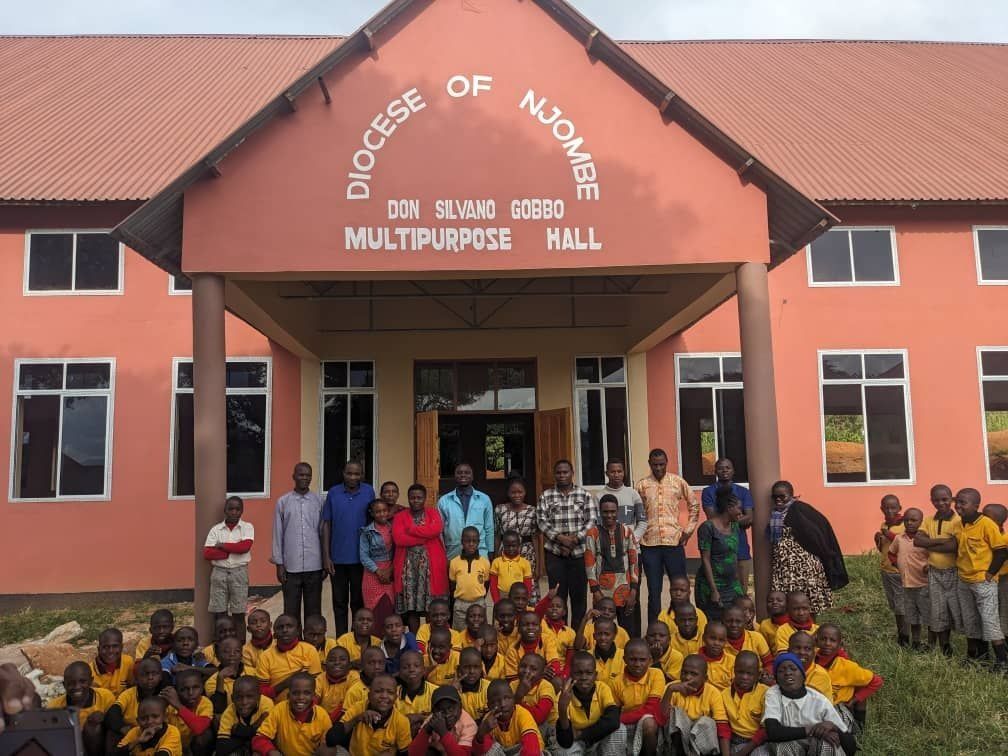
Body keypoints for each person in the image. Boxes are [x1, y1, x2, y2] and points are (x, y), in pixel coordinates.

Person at [636, 448, 700, 626]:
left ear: (667, 463)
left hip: (673, 542)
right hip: (649, 544)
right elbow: (636, 513)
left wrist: (688, 530)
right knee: (653, 591)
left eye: (661, 464)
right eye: (655, 465)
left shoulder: (677, 482)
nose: (658, 468)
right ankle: (655, 629)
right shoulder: (641, 486)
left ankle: (681, 627)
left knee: (679, 588)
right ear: (649, 464)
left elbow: (694, 504)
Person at [768, 481, 848, 615]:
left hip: (803, 568)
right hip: (784, 568)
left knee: (806, 604)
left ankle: (810, 632)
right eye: (775, 497)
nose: (778, 499)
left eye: (782, 496)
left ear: (791, 495)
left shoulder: (800, 509)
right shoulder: (776, 514)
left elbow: (818, 529)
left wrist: (824, 552)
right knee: (788, 605)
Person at [538, 459, 598, 628]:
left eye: (565, 472)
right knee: (557, 598)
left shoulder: (584, 495)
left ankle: (577, 639)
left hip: (579, 554)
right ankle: (559, 636)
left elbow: (591, 521)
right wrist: (560, 539)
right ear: (554, 475)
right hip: (555, 554)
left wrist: (574, 539)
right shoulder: (546, 496)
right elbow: (542, 521)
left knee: (579, 598)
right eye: (558, 472)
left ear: (572, 473)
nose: (562, 475)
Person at [953, 487, 1008, 669]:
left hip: (983, 581)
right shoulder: (959, 523)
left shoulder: (986, 524)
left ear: (976, 505)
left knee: (989, 620)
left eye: (963, 502)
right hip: (963, 580)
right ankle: (976, 656)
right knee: (970, 620)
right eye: (957, 501)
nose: (958, 505)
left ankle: (1002, 661)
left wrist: (990, 573)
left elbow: (1001, 551)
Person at [761, 653, 857, 756]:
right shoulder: (773, 693)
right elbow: (773, 732)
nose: (788, 673)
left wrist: (834, 727)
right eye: (781, 670)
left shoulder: (819, 701)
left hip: (817, 747)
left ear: (803, 676)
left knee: (827, 743)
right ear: (777, 680)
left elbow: (851, 748)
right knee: (780, 745)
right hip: (795, 745)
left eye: (793, 669)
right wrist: (812, 729)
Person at [322, 459, 376, 637]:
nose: (353, 477)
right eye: (349, 473)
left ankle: (356, 638)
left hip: (361, 558)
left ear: (361, 475)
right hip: (337, 558)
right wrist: (326, 556)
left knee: (358, 601)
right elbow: (327, 525)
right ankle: (341, 638)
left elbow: (373, 521)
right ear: (343, 473)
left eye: (356, 474)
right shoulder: (334, 493)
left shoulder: (368, 492)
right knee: (339, 601)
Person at [271, 462, 325, 625]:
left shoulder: (319, 501)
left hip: (315, 565)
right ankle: (293, 644)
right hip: (290, 566)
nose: (305, 478)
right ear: (293, 476)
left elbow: (323, 532)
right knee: (291, 611)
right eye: (301, 475)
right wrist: (279, 564)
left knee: (314, 611)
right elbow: (277, 533)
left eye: (308, 475)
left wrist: (325, 561)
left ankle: (311, 647)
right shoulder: (283, 502)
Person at [913, 483, 963, 655]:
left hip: (954, 572)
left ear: (952, 499)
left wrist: (931, 543)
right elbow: (918, 541)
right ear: (931, 501)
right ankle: (945, 645)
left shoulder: (958, 520)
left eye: (945, 499)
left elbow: (954, 547)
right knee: (938, 608)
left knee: (954, 608)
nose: (940, 503)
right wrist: (943, 541)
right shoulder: (928, 520)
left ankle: (971, 646)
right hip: (934, 572)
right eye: (936, 500)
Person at [394, 483, 449, 634]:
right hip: (408, 569)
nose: (416, 500)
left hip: (431, 568)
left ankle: (433, 637)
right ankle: (415, 641)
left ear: (425, 498)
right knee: (412, 608)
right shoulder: (400, 517)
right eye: (412, 498)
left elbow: (436, 529)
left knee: (432, 606)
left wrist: (411, 530)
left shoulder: (433, 513)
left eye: (419, 497)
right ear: (408, 498)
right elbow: (399, 539)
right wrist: (424, 537)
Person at [585, 494, 641, 635]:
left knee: (627, 631)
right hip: (602, 591)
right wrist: (595, 591)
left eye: (612, 511)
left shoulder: (627, 531)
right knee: (601, 631)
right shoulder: (593, 533)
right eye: (605, 512)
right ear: (600, 512)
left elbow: (634, 561)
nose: (609, 515)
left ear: (618, 511)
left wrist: (633, 591)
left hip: (624, 590)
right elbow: (589, 563)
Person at [603, 458, 647, 636]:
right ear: (607, 473)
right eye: (612, 471)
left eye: (619, 471)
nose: (616, 475)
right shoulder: (600, 496)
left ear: (624, 473)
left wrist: (630, 540)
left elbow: (642, 521)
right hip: (608, 556)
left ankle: (633, 638)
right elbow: (598, 526)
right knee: (610, 597)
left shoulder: (633, 494)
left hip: (632, 553)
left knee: (631, 597)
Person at [202, 495, 254, 640]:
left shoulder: (247, 527)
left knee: (238, 613)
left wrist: (222, 546)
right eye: (230, 509)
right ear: (225, 510)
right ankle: (220, 646)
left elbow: (245, 547)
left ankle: (240, 646)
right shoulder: (216, 530)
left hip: (239, 572)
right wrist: (230, 552)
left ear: (242, 511)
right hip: (219, 573)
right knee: (219, 613)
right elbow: (207, 553)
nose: (234, 512)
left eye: (237, 509)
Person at [814, 624, 883, 734]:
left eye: (832, 640)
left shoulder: (846, 666)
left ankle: (858, 731)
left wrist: (855, 699)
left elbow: (876, 681)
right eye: (823, 639)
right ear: (816, 641)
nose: (827, 643)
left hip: (837, 708)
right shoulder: (810, 659)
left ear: (840, 645)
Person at [554, 652, 625, 755]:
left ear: (595, 675)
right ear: (571, 675)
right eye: (578, 673)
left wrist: (581, 733)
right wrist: (562, 709)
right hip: (576, 742)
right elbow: (566, 741)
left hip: (596, 737)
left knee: (620, 729)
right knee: (564, 752)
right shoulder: (563, 696)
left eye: (589, 673)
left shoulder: (602, 688)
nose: (584, 677)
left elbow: (613, 720)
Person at [659, 654, 730, 756]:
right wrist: (670, 691)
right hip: (676, 743)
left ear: (705, 678)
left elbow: (722, 725)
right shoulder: (671, 688)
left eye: (694, 674)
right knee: (676, 713)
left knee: (707, 722)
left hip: (701, 744)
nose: (687, 677)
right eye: (684, 672)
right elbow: (661, 719)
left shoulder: (713, 693)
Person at [701, 458, 754, 591]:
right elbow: (712, 520)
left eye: (728, 468)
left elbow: (749, 518)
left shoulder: (743, 492)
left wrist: (726, 519)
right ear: (715, 471)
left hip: (740, 549)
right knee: (720, 591)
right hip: (718, 550)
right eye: (720, 468)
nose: (724, 470)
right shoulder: (708, 492)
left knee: (741, 591)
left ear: (733, 470)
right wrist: (738, 519)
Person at [608, 638, 665, 756]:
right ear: (624, 660)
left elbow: (651, 709)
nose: (637, 664)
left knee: (649, 723)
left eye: (642, 660)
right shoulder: (616, 682)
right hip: (627, 724)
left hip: (648, 724)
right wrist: (615, 721)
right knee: (614, 730)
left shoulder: (656, 674)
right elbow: (613, 711)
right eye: (633, 659)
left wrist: (617, 720)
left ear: (649, 660)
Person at [252, 672, 331, 755]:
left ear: (313, 696)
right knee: (257, 753)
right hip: (283, 754)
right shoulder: (279, 709)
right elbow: (258, 738)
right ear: (288, 695)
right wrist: (271, 751)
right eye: (295, 693)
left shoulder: (322, 716)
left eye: (306, 693)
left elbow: (328, 746)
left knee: (330, 750)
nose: (301, 697)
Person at [695, 488, 744, 621]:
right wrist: (714, 590)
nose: (741, 512)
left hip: (731, 585)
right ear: (729, 507)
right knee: (714, 624)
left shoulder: (735, 526)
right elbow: (705, 559)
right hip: (712, 586)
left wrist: (738, 584)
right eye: (739, 508)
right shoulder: (707, 528)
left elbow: (734, 556)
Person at [48, 661, 113, 755]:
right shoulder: (54, 706)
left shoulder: (105, 697)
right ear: (64, 685)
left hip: (98, 748)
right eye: (71, 683)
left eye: (82, 681)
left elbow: (112, 730)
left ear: (91, 681)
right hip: (71, 748)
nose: (77, 687)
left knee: (93, 727)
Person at [887, 507, 930, 649]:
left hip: (923, 584)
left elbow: (933, 556)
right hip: (907, 584)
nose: (909, 523)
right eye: (906, 520)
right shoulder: (899, 538)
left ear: (921, 521)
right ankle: (916, 642)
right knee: (913, 616)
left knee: (928, 615)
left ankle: (931, 644)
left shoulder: (925, 539)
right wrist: (897, 565)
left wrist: (928, 566)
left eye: (914, 520)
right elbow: (891, 553)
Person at [254, 614, 322, 701]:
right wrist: (285, 684)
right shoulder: (265, 657)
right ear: (274, 634)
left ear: (298, 631)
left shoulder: (309, 650)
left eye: (289, 626)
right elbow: (262, 693)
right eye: (280, 627)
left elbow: (317, 686)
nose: (285, 630)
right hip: (276, 708)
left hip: (306, 705)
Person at [495, 477, 542, 603]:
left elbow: (535, 537)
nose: (517, 495)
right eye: (513, 492)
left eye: (520, 492)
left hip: (527, 554)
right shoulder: (500, 510)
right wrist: (495, 559)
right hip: (506, 554)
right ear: (508, 493)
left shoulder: (532, 511)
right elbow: (498, 535)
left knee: (528, 589)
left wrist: (538, 565)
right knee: (507, 588)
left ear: (525, 492)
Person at [439, 462, 495, 560]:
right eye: (459, 472)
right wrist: (442, 550)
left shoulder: (484, 499)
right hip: (453, 552)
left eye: (467, 472)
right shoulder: (444, 501)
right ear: (455, 476)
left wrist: (490, 551)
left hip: (480, 552)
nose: (463, 475)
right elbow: (440, 530)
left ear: (472, 476)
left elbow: (489, 528)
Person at [473, 679, 545, 755]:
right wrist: (481, 733)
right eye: (496, 701)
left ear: (513, 699)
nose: (503, 704)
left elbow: (532, 749)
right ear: (489, 706)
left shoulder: (522, 714)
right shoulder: (489, 720)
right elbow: (480, 752)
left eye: (507, 698)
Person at [409, 685, 480, 756]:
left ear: (460, 706)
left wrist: (443, 733)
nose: (447, 714)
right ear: (434, 712)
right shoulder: (434, 718)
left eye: (451, 709)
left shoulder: (469, 725)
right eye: (442, 711)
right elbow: (413, 754)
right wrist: (427, 729)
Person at [721, 651, 768, 756]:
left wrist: (742, 753)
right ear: (734, 671)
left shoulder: (766, 693)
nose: (744, 677)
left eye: (750, 674)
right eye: (740, 672)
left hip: (760, 741)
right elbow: (724, 727)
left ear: (758, 675)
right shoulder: (725, 694)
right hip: (736, 739)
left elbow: (765, 730)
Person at [359, 498, 397, 629]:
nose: (382, 514)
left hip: (391, 573)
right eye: (378, 512)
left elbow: (398, 551)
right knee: (373, 613)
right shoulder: (367, 532)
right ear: (372, 513)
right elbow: (363, 556)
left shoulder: (394, 528)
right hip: (372, 574)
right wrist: (378, 571)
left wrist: (390, 570)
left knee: (388, 609)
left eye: (384, 511)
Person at [873, 494, 906, 645]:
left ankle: (904, 637)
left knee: (901, 606)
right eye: (886, 508)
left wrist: (890, 535)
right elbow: (884, 549)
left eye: (893, 507)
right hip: (886, 570)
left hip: (899, 572)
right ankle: (902, 632)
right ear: (881, 509)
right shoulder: (884, 525)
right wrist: (878, 539)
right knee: (894, 604)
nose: (890, 511)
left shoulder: (905, 525)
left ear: (900, 508)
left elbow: (905, 545)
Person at [216, 675, 274, 754]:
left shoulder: (267, 704)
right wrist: (254, 728)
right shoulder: (229, 712)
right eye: (239, 697)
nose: (244, 702)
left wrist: (238, 732)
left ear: (258, 697)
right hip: (241, 747)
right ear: (232, 698)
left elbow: (265, 738)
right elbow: (221, 747)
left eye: (249, 697)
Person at [449, 526, 491, 630]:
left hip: (479, 603)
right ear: (462, 541)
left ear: (478, 542)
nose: (471, 544)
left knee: (480, 632)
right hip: (460, 604)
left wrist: (478, 596)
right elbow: (452, 585)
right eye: (468, 541)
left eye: (474, 541)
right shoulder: (454, 562)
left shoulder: (484, 562)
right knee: (459, 633)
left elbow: (486, 583)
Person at [114, 696, 183, 756]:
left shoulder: (172, 732)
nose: (149, 721)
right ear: (138, 721)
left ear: (164, 717)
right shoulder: (135, 732)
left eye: (155, 716)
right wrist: (138, 741)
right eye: (143, 718)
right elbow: (115, 753)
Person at [982, 502, 1008, 639]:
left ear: (996, 521)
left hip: (1003, 581)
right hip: (987, 581)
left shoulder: (1005, 539)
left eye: (985, 516)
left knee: (1003, 614)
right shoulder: (984, 536)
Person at [491, 530, 534, 603]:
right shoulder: (496, 562)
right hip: (502, 596)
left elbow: (528, 585)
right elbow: (493, 585)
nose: (511, 548)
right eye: (508, 546)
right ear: (503, 545)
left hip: (518, 597)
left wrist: (525, 600)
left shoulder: (525, 563)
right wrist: (496, 601)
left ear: (519, 545)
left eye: (513, 546)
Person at [89, 627, 134, 695]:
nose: (110, 651)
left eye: (115, 646)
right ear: (99, 649)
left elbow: (132, 685)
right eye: (105, 647)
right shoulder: (90, 671)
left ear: (121, 647)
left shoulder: (128, 662)